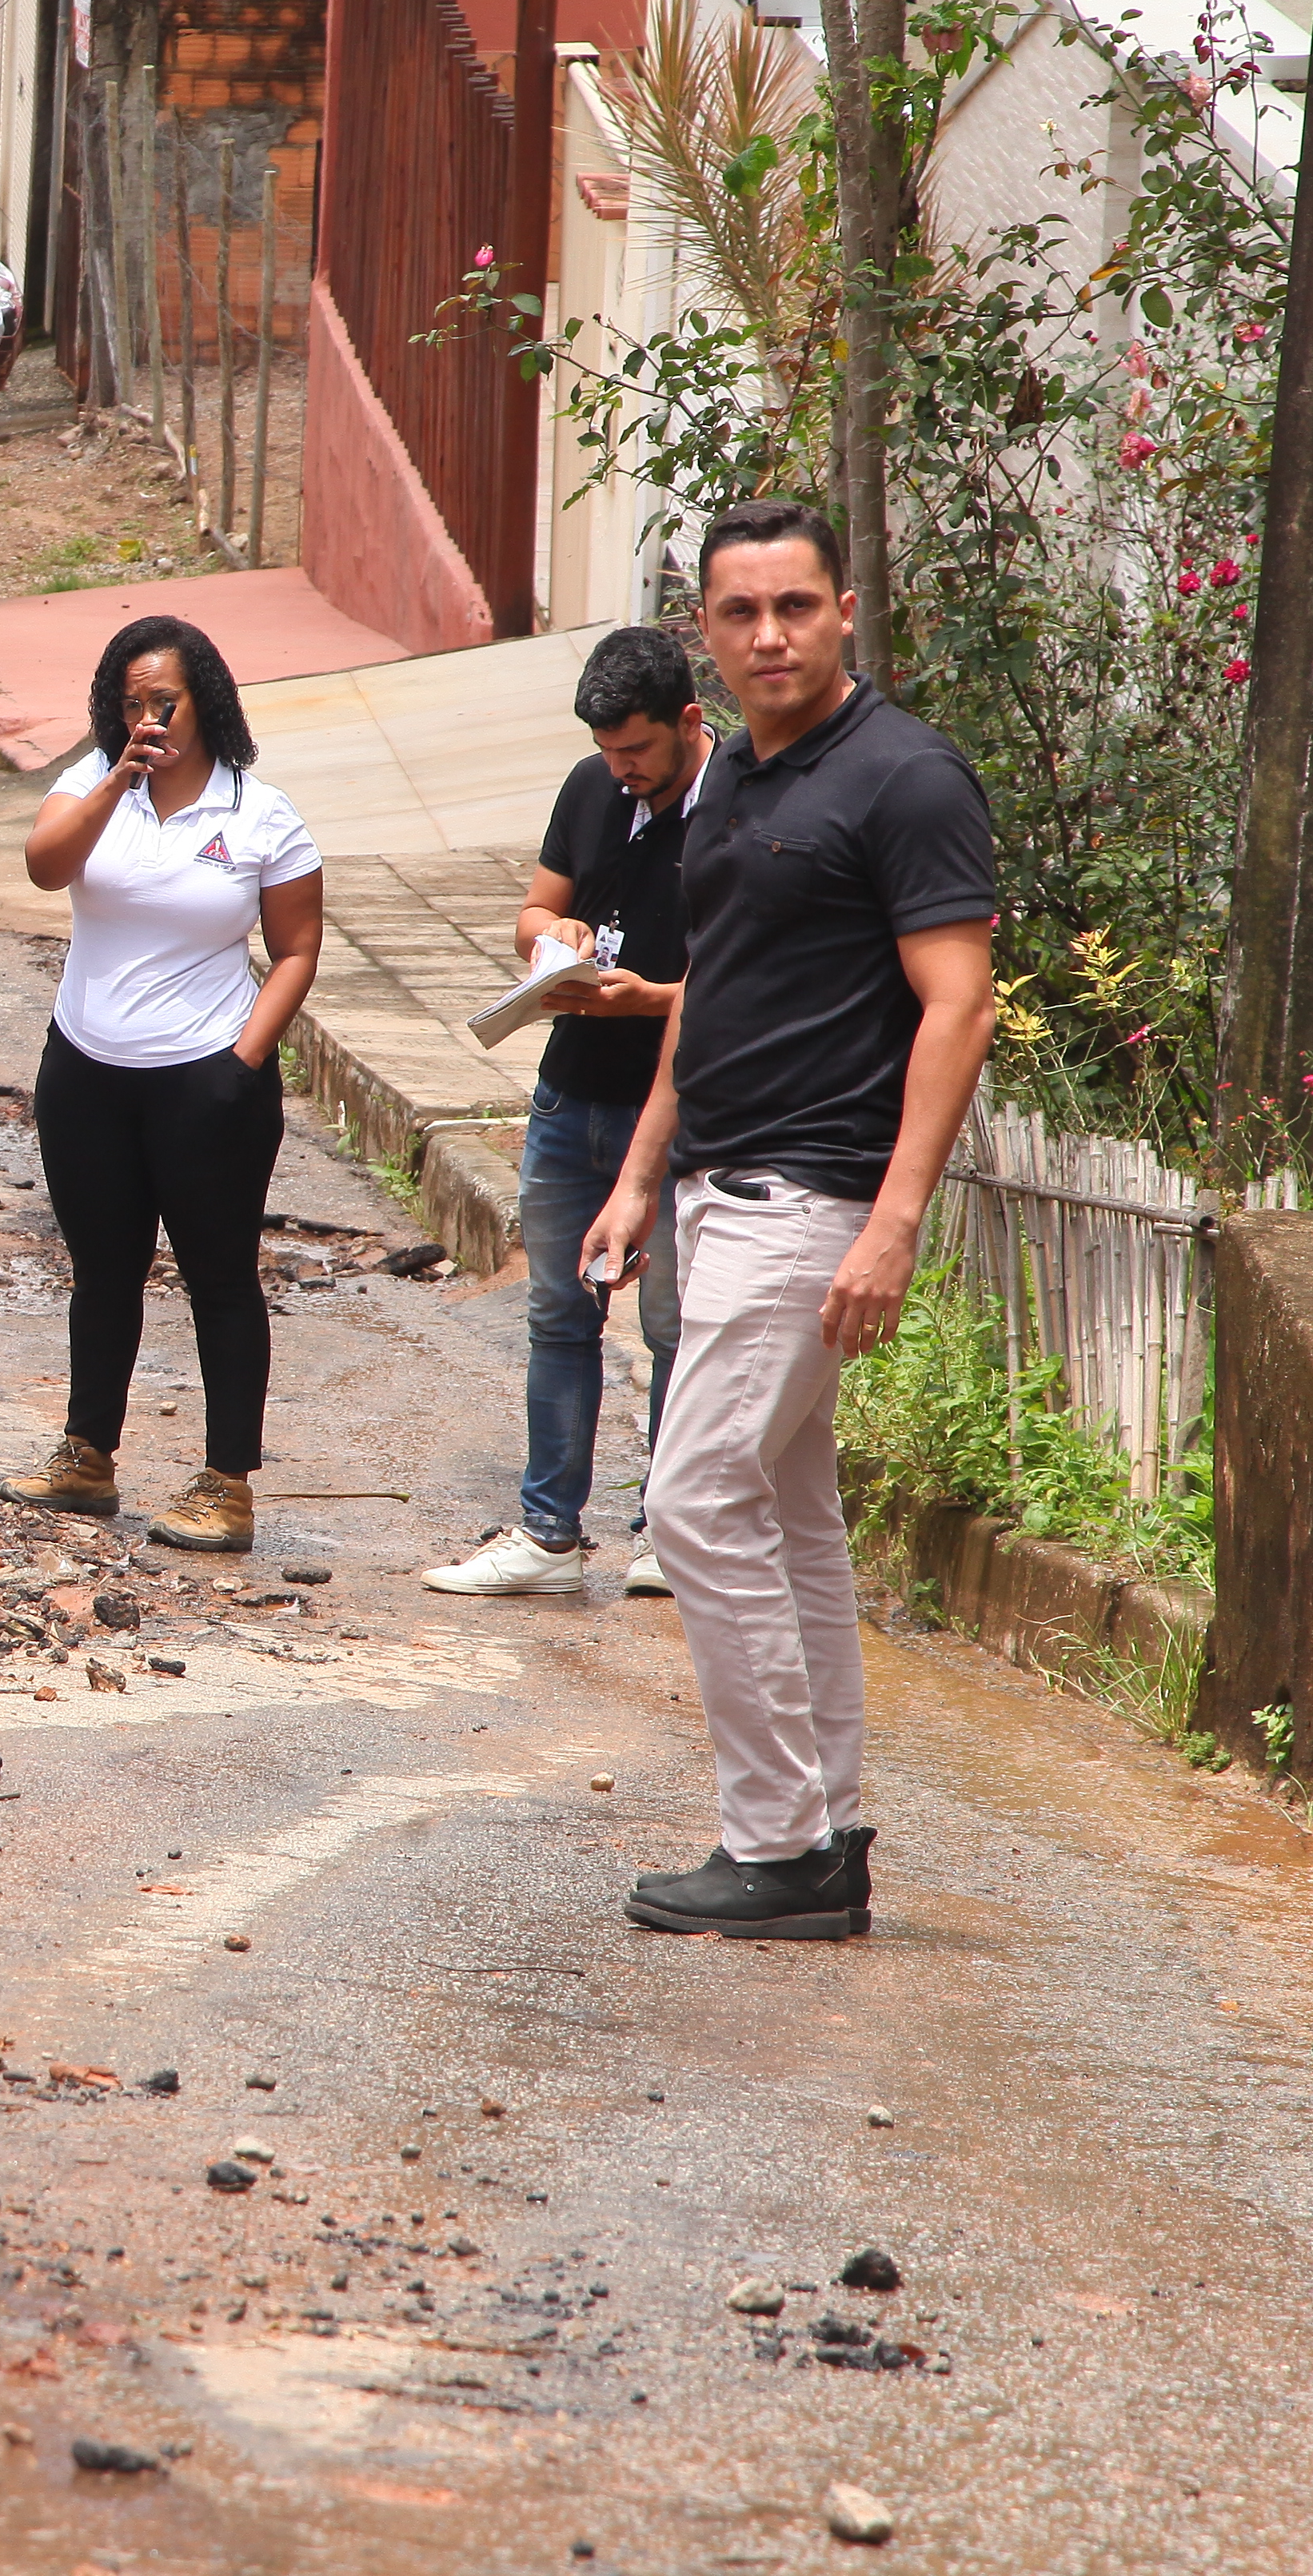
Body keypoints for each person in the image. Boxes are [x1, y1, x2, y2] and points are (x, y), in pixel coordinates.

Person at [579, 500, 998, 1943]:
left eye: (796, 606)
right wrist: (642, 1173)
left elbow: (959, 1000)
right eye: (741, 610)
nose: (770, 633)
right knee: (790, 1510)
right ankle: (817, 1824)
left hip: (812, 1193)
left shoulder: (903, 777)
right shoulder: (729, 785)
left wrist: (892, 1223)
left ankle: (776, 1841)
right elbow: (714, 995)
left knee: (692, 1497)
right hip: (716, 1186)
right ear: (705, 628)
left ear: (846, 610)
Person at [2, 618, 325, 1553]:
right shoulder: (89, 788)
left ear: (206, 702)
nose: (150, 719)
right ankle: (87, 1456)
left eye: (166, 702)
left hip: (207, 1080)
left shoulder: (259, 814)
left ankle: (227, 1485)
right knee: (103, 1273)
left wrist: (243, 1064)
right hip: (86, 1073)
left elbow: (298, 950)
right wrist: (116, 776)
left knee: (220, 1279)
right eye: (131, 704)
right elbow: (42, 867)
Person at [424, 627, 710, 1600]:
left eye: (636, 751)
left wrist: (653, 997)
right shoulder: (593, 791)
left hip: (674, 1114)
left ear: (688, 723)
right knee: (558, 1315)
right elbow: (530, 914)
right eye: (606, 752)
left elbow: (753, 981)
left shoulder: (738, 808)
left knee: (677, 1327)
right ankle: (548, 1535)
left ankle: (667, 1534)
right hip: (568, 1095)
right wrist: (557, 936)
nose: (621, 770)